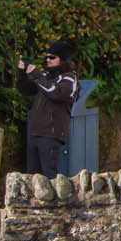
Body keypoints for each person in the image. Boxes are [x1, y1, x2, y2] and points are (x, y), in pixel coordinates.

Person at [14, 39, 80, 177]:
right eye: (47, 57)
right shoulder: (45, 77)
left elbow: (55, 94)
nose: (48, 60)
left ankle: (55, 199)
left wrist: (36, 74)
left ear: (62, 59)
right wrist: (22, 71)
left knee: (49, 175)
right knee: (32, 176)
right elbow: (25, 89)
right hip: (35, 133)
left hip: (51, 135)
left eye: (52, 57)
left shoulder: (69, 79)